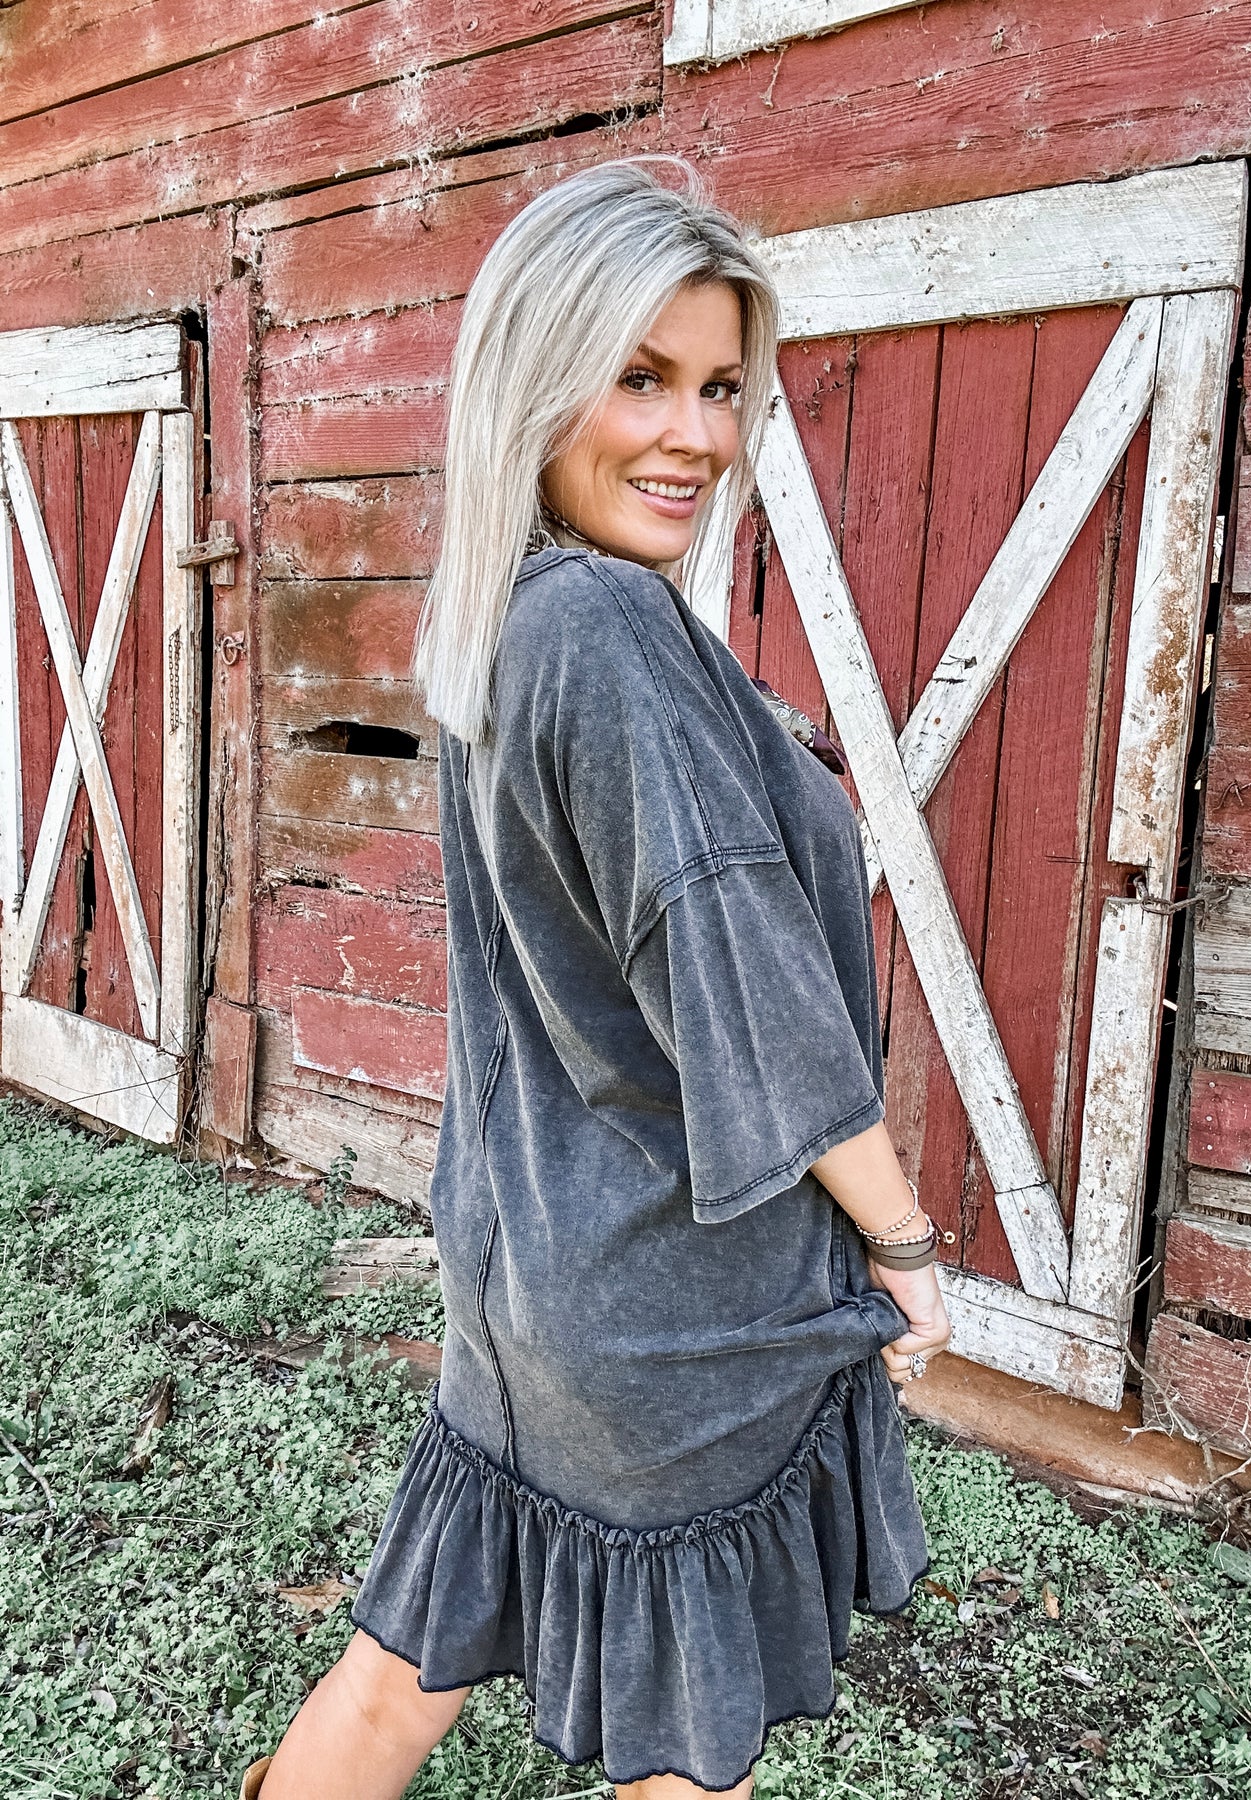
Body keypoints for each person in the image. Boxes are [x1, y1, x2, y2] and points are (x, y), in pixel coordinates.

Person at [242, 155, 951, 1800]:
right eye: (639, 377)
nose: (693, 434)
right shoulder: (607, 630)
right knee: (684, 1745)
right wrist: (904, 1246)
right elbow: (740, 978)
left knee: (403, 1666)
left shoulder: (515, 612)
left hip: (531, 1260)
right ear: (533, 379)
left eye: (720, 386)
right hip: (664, 1290)